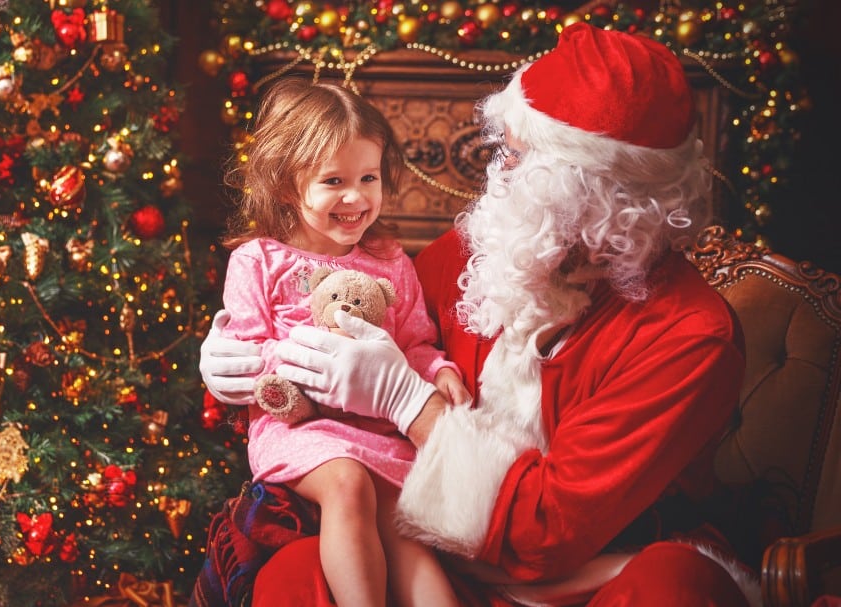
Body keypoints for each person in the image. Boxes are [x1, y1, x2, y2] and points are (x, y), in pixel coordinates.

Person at [198, 22, 760, 607]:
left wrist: (407, 401)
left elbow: (548, 530)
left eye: (516, 159)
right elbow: (347, 329)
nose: (497, 176)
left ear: (589, 191)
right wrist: (234, 371)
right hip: (438, 559)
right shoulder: (486, 248)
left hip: (593, 575)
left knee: (674, 589)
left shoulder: (690, 337)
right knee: (296, 576)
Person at [209, 77, 471, 607]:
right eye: (334, 180)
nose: (356, 197)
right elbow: (247, 355)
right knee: (349, 482)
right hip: (300, 428)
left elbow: (414, 343)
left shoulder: (390, 262)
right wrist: (279, 362)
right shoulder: (259, 261)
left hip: (380, 428)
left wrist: (439, 371)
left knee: (403, 519)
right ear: (287, 185)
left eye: (368, 177)